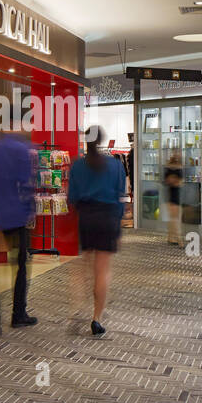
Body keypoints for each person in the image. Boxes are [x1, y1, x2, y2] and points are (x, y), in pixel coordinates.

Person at [67, 125, 125, 337]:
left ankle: (77, 306)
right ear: (102, 140)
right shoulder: (115, 165)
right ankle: (96, 318)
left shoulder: (78, 166)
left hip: (87, 218)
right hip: (108, 218)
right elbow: (120, 196)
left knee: (84, 265)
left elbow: (72, 197)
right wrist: (117, 224)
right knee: (102, 271)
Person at [0, 130, 37, 333]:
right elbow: (25, 184)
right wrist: (29, 211)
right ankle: (18, 314)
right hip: (17, 215)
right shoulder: (21, 149)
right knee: (21, 264)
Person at [163, 151, 183, 245]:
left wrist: (174, 180)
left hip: (175, 194)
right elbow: (170, 181)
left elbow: (179, 182)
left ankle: (171, 238)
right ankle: (178, 239)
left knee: (173, 218)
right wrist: (175, 181)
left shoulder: (176, 167)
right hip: (173, 195)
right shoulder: (171, 168)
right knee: (175, 218)